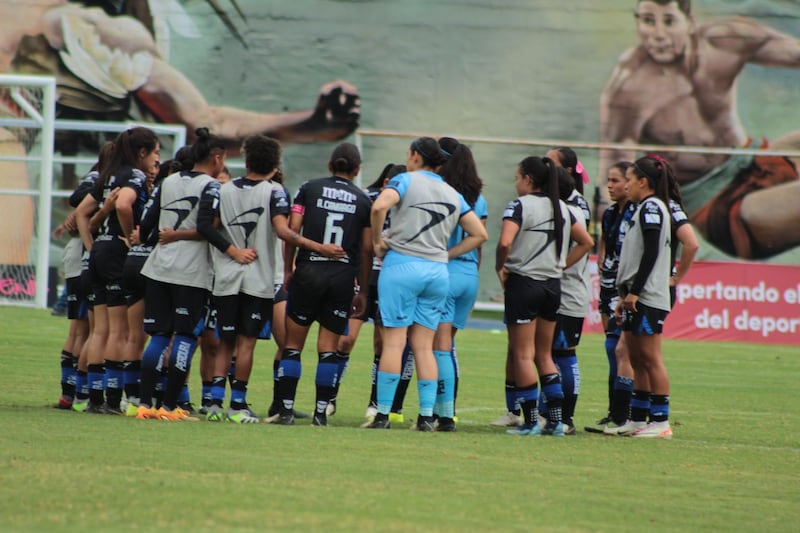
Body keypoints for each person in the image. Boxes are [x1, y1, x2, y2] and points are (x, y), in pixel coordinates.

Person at [598, 0, 800, 259]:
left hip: (752, 161)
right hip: (719, 207)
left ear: (690, 22)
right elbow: (613, 177)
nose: (658, 34)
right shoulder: (629, 90)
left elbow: (793, 52)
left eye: (669, 21)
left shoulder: (725, 41)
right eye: (648, 21)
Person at [367, 137, 488, 431]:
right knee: (424, 347)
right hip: (437, 273)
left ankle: (382, 415)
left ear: (416, 156)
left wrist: (377, 242)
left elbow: (378, 207)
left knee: (395, 343)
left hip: (402, 265)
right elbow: (479, 234)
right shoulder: (452, 192)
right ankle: (425, 417)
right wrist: (446, 254)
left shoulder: (405, 180)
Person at [135, 127, 236, 421]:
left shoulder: (168, 181)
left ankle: (144, 404)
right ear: (216, 158)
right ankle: (169, 407)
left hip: (158, 267)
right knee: (185, 336)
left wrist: (164, 239)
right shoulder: (211, 187)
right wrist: (232, 252)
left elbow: (147, 224)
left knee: (158, 335)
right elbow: (206, 226)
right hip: (191, 273)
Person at [269, 142, 371, 427]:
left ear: (330, 165)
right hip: (340, 278)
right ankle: (320, 413)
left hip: (309, 271)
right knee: (328, 349)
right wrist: (363, 289)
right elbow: (365, 249)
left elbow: (292, 229)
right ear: (357, 169)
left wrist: (289, 269)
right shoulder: (363, 200)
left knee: (292, 345)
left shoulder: (309, 188)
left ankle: (286, 411)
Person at [495, 156, 593, 436]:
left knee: (523, 354)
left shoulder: (519, 205)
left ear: (528, 179)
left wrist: (501, 266)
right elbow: (586, 242)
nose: (515, 183)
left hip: (524, 283)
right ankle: (555, 421)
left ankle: (529, 423)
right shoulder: (563, 207)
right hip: (552, 286)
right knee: (544, 355)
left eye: (517, 177)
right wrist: (562, 263)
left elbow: (504, 241)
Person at [204, 135, 293, 424]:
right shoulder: (274, 191)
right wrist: (316, 247)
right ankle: (238, 406)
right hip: (257, 279)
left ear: (246, 160)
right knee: (247, 343)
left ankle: (215, 404)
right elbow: (282, 230)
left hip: (227, 277)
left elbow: (210, 227)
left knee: (225, 342)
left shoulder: (224, 189)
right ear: (275, 163)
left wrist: (232, 251)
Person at [75, 127, 160, 414]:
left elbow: (81, 213)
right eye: (156, 153)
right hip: (115, 255)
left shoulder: (108, 174)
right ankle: (113, 400)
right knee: (119, 331)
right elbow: (124, 205)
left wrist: (91, 245)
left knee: (99, 331)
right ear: (142, 153)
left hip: (100, 251)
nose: (156, 159)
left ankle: (95, 399)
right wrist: (130, 236)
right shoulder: (133, 175)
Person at [606, 156, 675, 439]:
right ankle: (637, 419)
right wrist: (625, 295)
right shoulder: (642, 208)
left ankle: (661, 422)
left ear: (643, 182)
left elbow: (652, 251)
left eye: (630, 180)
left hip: (647, 295)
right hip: (634, 295)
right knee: (635, 357)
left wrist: (635, 291)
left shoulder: (651, 208)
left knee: (651, 358)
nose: (627, 185)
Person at [431, 137, 488, 431]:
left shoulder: (442, 193)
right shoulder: (480, 198)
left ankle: (442, 415)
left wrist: (446, 255)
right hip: (470, 277)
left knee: (438, 349)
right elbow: (478, 243)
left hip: (447, 270)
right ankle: (443, 412)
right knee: (447, 347)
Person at [584, 161, 637, 433]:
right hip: (608, 285)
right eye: (609, 180)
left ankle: (628, 414)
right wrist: (603, 257)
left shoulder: (639, 212)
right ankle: (615, 412)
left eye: (615, 180)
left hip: (628, 289)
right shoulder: (610, 213)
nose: (610, 185)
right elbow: (605, 239)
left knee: (626, 351)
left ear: (630, 183)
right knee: (611, 349)